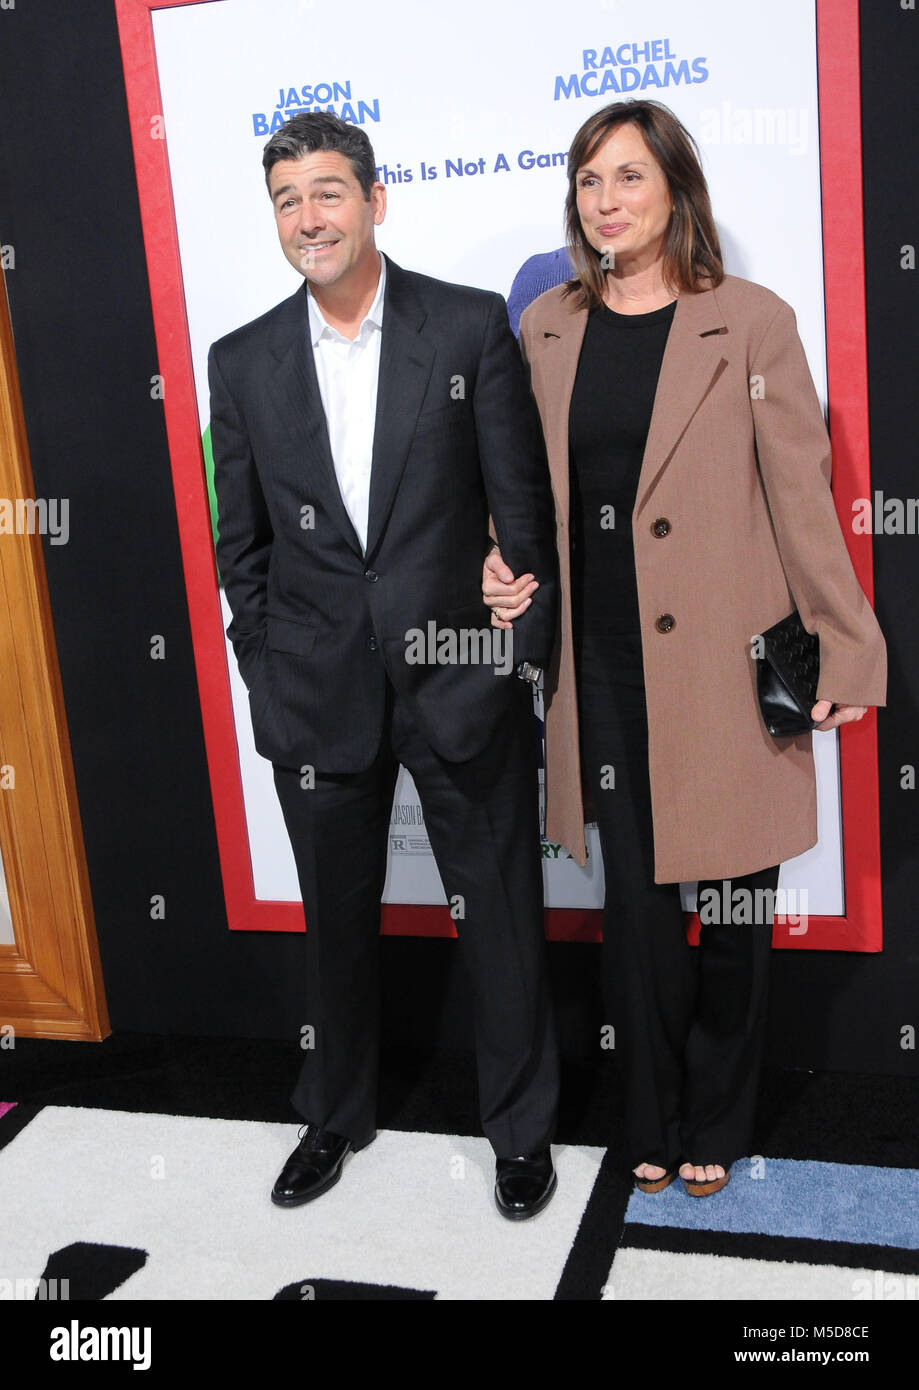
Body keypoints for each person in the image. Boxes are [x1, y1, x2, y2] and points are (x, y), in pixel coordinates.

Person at [483, 99, 886, 1197]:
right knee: (638, 909)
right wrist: (497, 561)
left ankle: (721, 1112)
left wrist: (845, 649)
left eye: (627, 178)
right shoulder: (549, 326)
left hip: (725, 653)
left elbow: (803, 499)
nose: (605, 201)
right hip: (601, 660)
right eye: (586, 182)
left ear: (675, 190)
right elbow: (524, 492)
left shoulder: (750, 320)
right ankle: (652, 1118)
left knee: (737, 906)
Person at [209, 112, 560, 1219]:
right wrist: (265, 662)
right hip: (316, 692)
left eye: (326, 192)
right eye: (286, 200)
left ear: (375, 199)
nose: (307, 217)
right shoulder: (241, 358)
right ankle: (334, 1113)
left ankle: (520, 1132)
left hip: (461, 677)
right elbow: (242, 545)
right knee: (333, 925)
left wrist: (517, 647)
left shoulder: (461, 330)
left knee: (500, 918)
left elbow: (524, 514)